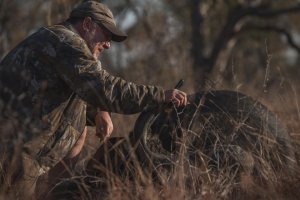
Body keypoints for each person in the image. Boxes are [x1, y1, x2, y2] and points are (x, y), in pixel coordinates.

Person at [0, 0, 187, 198]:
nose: (108, 44)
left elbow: (70, 89)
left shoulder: (57, 40)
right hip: (14, 152)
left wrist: (98, 111)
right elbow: (105, 89)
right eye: (106, 34)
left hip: (22, 150)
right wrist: (159, 96)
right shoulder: (67, 42)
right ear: (87, 24)